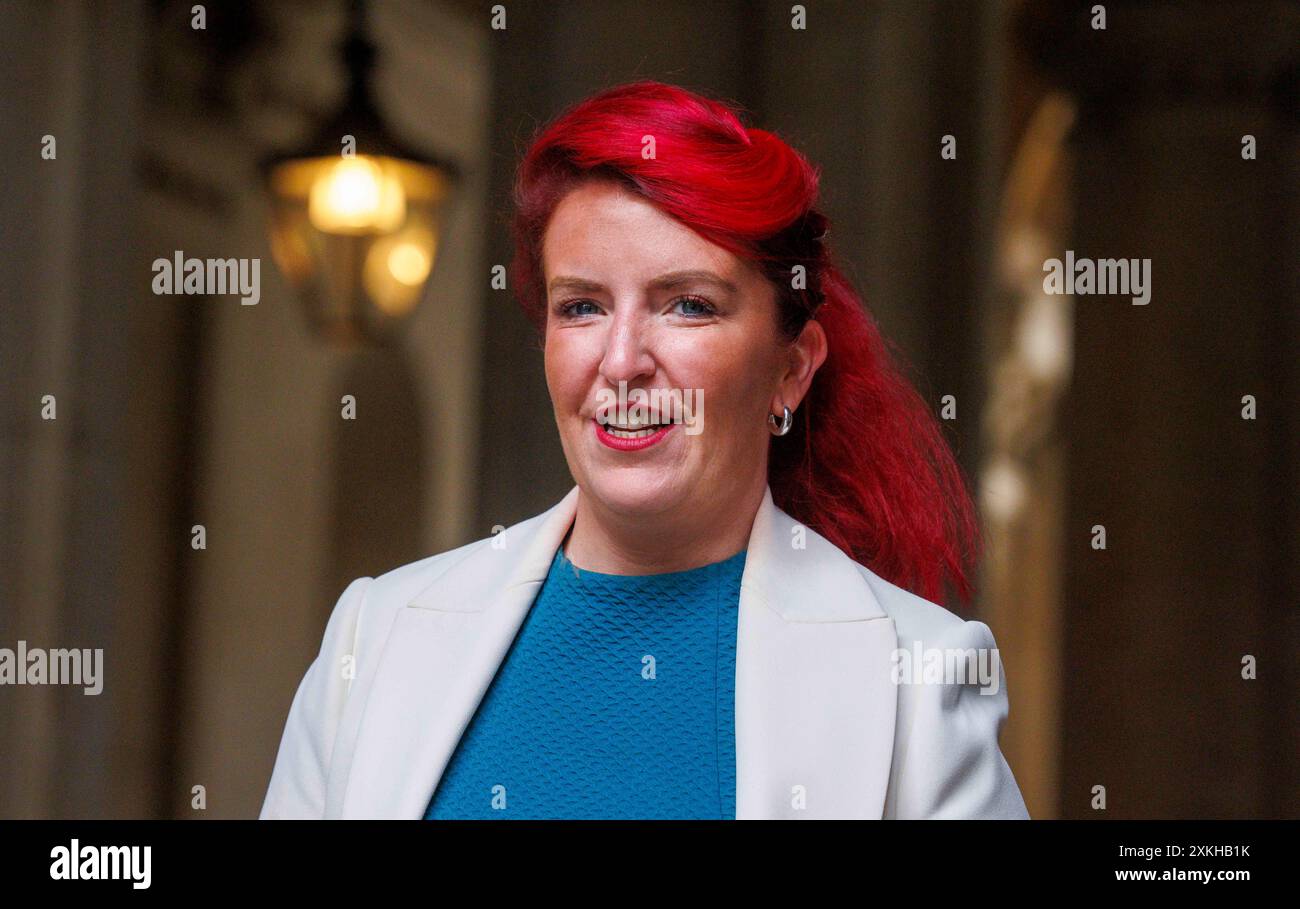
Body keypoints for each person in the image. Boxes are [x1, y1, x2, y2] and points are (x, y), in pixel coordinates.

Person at [260, 80, 1030, 819]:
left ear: (790, 369)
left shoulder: (918, 679)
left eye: (688, 305)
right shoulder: (378, 633)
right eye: (583, 306)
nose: (622, 358)